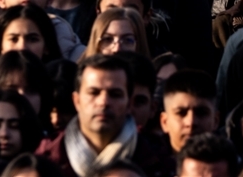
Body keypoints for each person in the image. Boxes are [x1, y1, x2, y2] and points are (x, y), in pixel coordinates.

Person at [36, 54, 173, 177]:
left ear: (129, 104)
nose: (104, 102)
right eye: (94, 93)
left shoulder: (157, 160)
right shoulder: (47, 159)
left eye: (115, 94)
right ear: (76, 101)